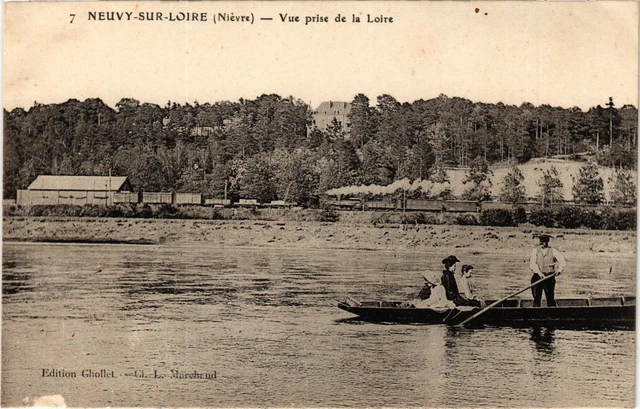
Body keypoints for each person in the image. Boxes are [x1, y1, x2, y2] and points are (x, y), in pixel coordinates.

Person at [529, 234, 566, 307]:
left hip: (549, 278)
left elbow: (563, 262)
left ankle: (551, 315)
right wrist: (539, 273)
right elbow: (532, 264)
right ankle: (535, 315)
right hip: (537, 278)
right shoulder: (535, 251)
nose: (543, 243)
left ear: (547, 241)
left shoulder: (553, 251)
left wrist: (559, 270)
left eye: (545, 241)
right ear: (540, 241)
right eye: (542, 241)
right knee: (536, 299)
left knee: (550, 299)